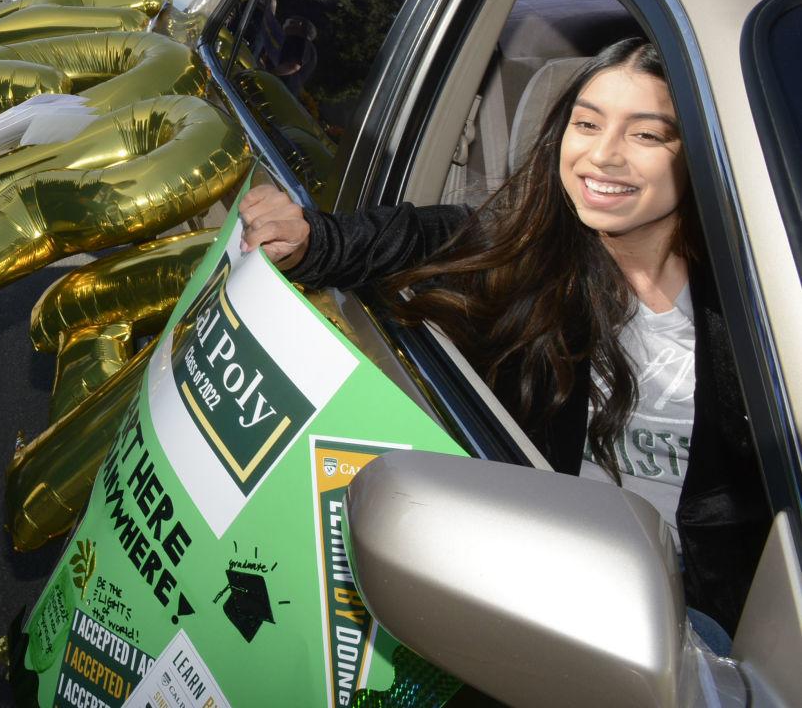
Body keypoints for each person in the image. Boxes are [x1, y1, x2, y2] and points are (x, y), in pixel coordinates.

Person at [237, 38, 767, 647]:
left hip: (718, 618)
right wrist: (310, 240)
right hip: (567, 587)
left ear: (702, 153)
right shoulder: (530, 255)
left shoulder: (764, 295)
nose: (603, 156)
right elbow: (415, 235)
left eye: (647, 136)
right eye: (586, 124)